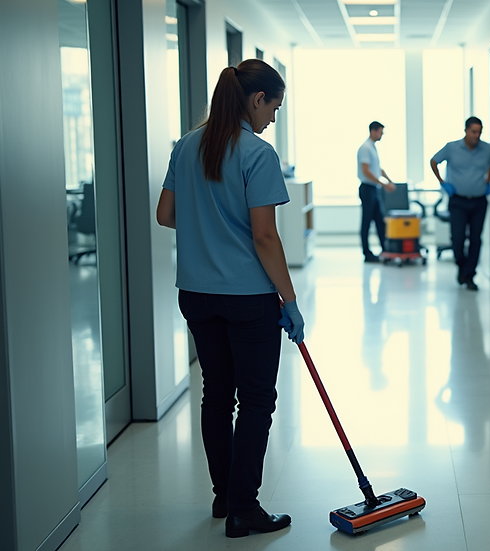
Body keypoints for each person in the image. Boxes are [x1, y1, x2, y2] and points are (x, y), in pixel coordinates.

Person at [156, 59, 303, 539]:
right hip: (248, 297)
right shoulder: (256, 153)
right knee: (256, 399)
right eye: (274, 107)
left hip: (196, 294)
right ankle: (245, 507)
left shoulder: (186, 145)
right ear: (256, 99)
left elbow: (166, 214)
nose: (273, 119)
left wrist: (208, 228)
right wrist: (290, 298)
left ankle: (224, 496)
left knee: (216, 395)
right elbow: (265, 237)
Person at [430, 117, 490, 290]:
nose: (477, 135)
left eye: (479, 132)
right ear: (466, 130)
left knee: (476, 239)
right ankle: (462, 266)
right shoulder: (452, 148)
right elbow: (434, 161)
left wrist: (487, 181)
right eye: (474, 131)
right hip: (458, 201)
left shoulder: (487, 149)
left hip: (479, 201)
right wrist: (442, 182)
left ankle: (469, 275)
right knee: (458, 239)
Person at [358, 121, 396, 262]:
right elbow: (366, 171)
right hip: (367, 189)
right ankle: (367, 253)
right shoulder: (365, 148)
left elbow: (378, 169)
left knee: (380, 220)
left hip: (374, 189)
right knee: (366, 222)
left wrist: (389, 181)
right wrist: (383, 184)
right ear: (373, 131)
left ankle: (385, 250)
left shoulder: (373, 148)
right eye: (381, 132)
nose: (382, 135)